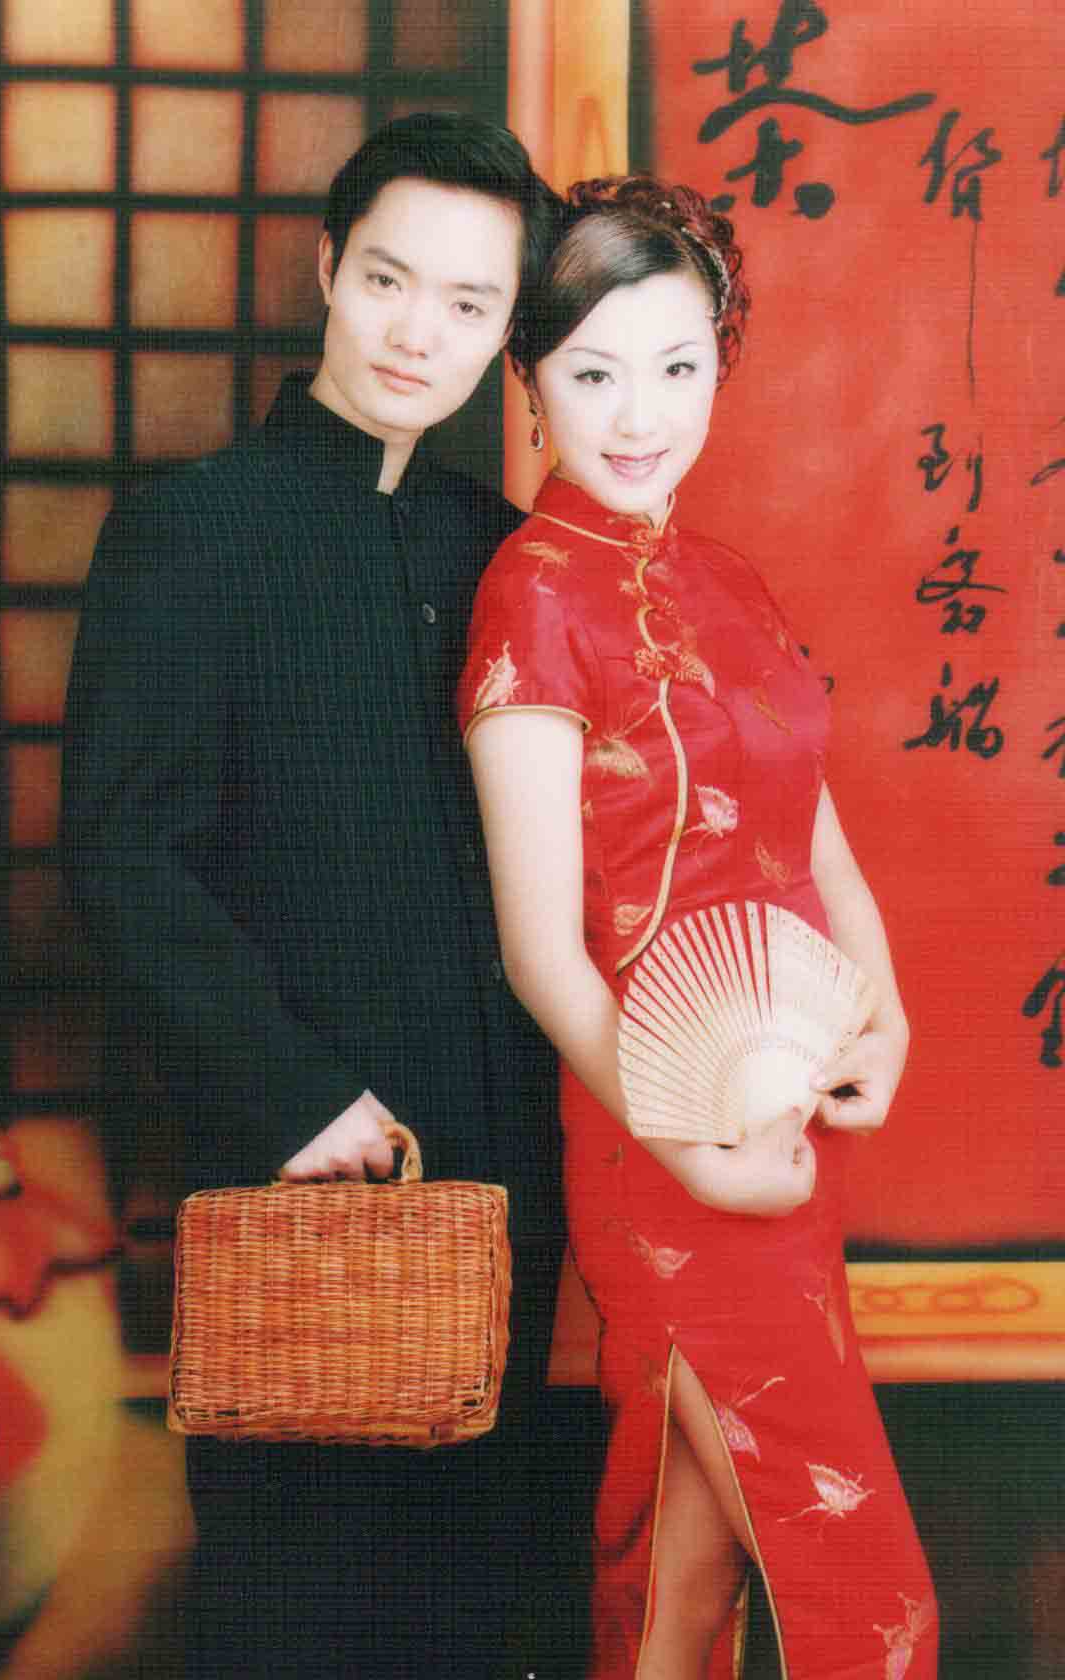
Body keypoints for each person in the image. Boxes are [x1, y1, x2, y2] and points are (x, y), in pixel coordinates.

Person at [60, 112, 565, 1679]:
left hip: (503, 1185)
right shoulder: (191, 532)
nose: (420, 333)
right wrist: (294, 1100)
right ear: (327, 269)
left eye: (471, 304)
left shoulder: (503, 557)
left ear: (506, 334)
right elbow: (122, 856)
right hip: (305, 1180)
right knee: (299, 1619)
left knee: (477, 1616)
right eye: (391, 280)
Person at [458, 175, 938, 1678]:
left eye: (677, 366)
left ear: (721, 360)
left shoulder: (729, 581)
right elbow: (542, 953)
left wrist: (885, 1019)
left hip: (789, 1119)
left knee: (685, 1595)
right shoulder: (532, 599)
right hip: (657, 1149)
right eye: (593, 373)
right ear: (531, 379)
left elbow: (816, 836)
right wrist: (695, 1154)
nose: (640, 414)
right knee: (872, 1610)